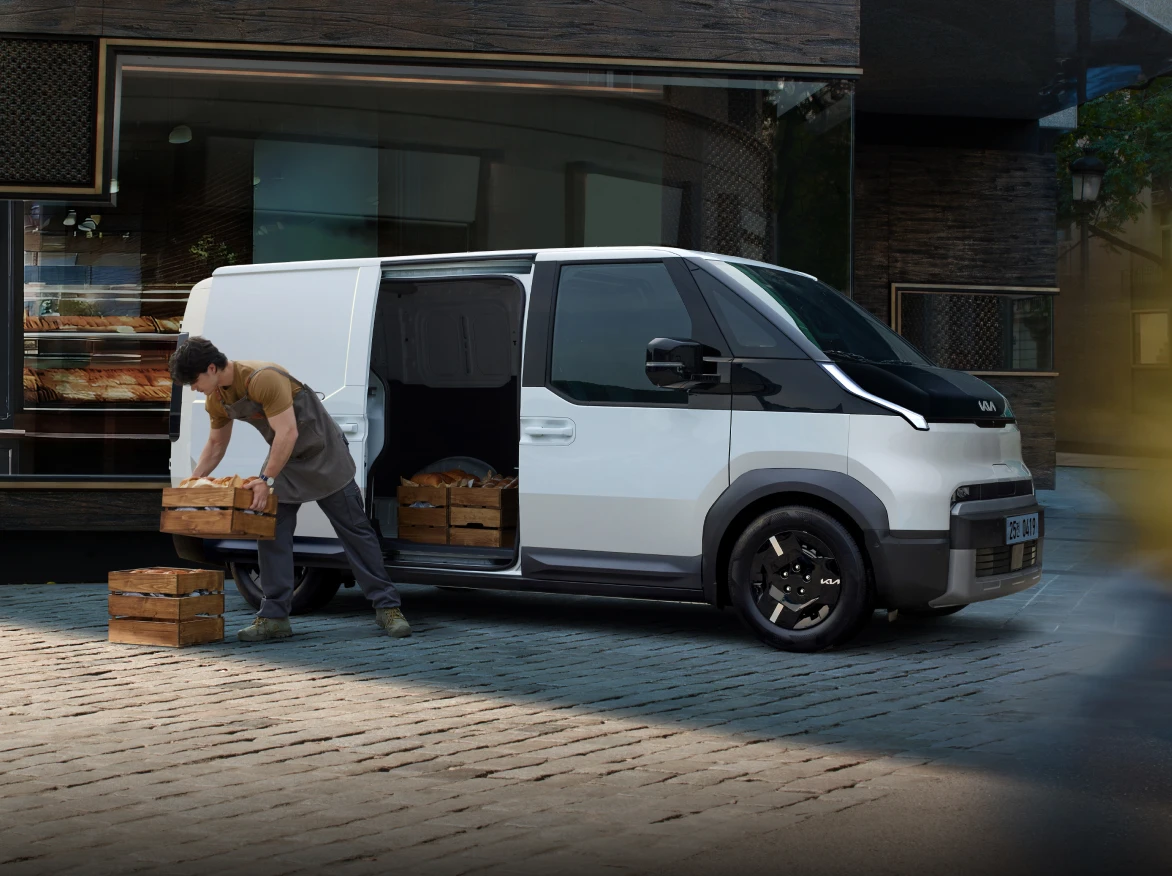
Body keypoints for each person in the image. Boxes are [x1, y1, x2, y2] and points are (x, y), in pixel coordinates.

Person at [170, 337, 411, 642]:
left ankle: (388, 609)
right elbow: (216, 444)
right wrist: (193, 484)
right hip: (284, 460)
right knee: (269, 532)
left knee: (355, 532)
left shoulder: (263, 378)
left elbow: (288, 432)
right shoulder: (216, 398)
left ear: (211, 368)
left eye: (193, 381)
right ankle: (274, 617)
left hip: (324, 454)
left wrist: (266, 480)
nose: (193, 388)